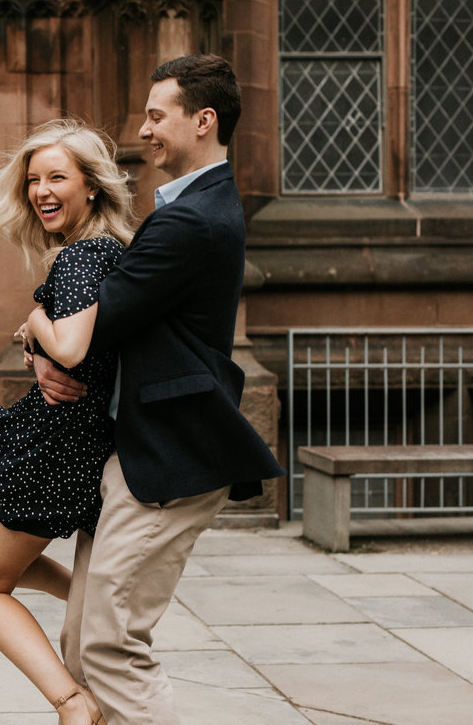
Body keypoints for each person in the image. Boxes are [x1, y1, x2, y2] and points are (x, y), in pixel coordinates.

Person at [31, 55, 287, 725]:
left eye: (155, 115)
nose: (142, 130)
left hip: (169, 456)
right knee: (83, 645)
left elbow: (90, 327)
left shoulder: (188, 221)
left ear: (202, 121)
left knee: (110, 646)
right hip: (145, 447)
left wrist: (34, 329)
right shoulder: (197, 207)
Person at [0, 119, 136, 725]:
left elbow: (73, 348)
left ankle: (74, 704)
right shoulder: (98, 254)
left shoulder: (83, 257)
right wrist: (36, 339)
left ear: (93, 188)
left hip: (58, 447)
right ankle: (83, 595)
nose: (42, 191)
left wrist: (34, 319)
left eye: (58, 177)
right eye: (33, 180)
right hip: (48, 432)